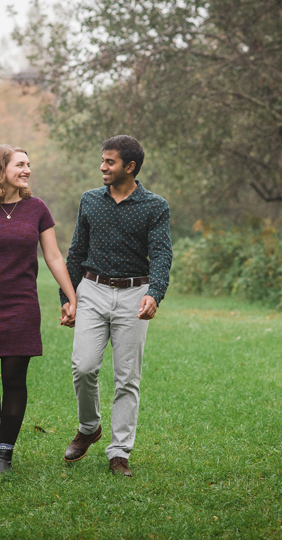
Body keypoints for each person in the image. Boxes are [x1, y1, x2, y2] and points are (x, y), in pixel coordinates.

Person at [0, 144, 77, 474]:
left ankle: (4, 455)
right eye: (20, 164)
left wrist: (70, 296)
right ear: (0, 169)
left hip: (21, 305)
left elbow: (53, 256)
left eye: (29, 164)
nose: (27, 170)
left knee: (14, 380)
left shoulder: (37, 209)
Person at [59, 135, 172, 477]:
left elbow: (162, 254)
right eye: (103, 160)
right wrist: (68, 299)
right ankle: (89, 426)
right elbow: (76, 252)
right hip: (92, 289)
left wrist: (155, 293)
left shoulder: (155, 206)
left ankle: (119, 452)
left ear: (130, 167)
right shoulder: (90, 201)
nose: (102, 167)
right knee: (84, 366)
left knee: (127, 378)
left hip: (133, 295)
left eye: (109, 162)